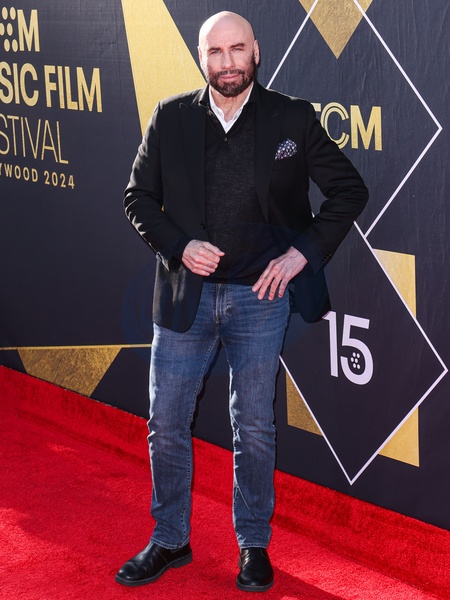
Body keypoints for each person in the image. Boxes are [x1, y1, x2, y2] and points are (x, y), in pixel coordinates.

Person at [115, 11, 368, 593]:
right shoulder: (170, 116)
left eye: (237, 49)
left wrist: (302, 254)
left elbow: (349, 190)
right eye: (215, 51)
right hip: (186, 295)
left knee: (253, 426)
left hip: (260, 297)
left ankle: (254, 544)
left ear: (256, 51)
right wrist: (179, 246)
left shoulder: (291, 117)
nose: (227, 62)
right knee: (166, 422)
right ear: (201, 57)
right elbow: (138, 198)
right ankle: (170, 539)